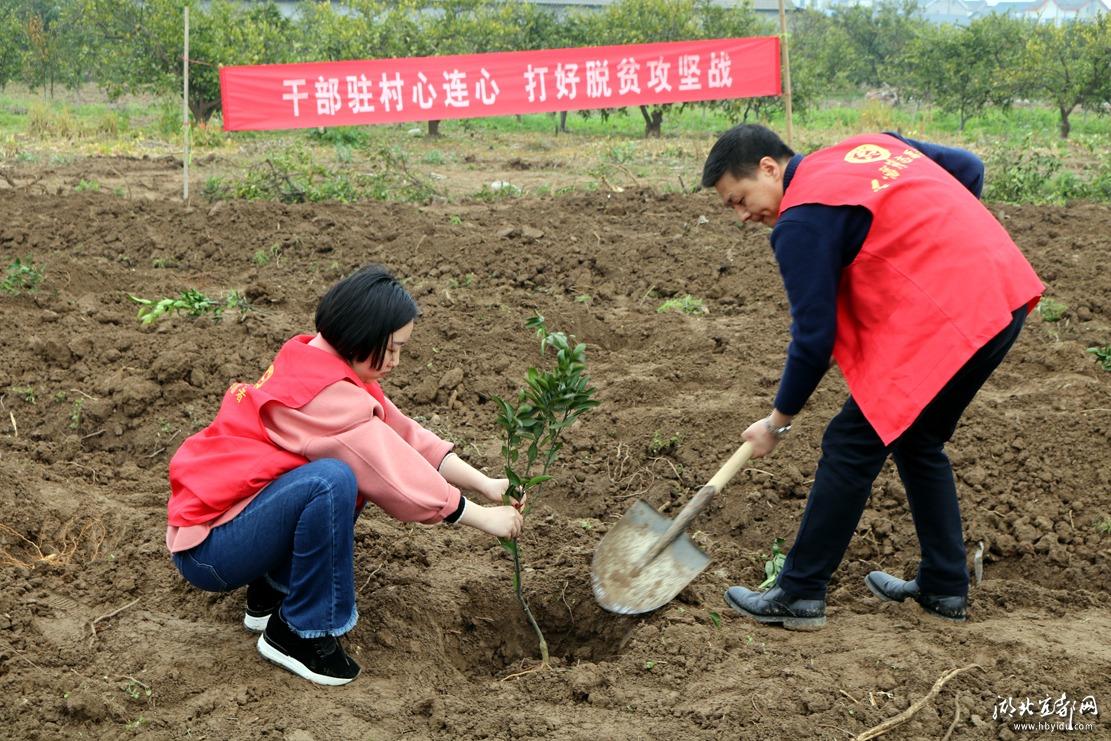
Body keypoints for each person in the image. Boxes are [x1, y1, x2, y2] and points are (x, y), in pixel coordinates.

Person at [701, 125, 1043, 630]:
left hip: (952, 318)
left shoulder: (800, 222)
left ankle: (799, 592)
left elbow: (814, 339)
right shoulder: (871, 146)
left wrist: (776, 424)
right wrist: (933, 249)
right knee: (918, 439)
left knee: (851, 442)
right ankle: (945, 586)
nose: (743, 215)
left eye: (740, 198)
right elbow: (969, 168)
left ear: (770, 168)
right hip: (1002, 291)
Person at [165, 264, 524, 684]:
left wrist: (485, 483)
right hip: (210, 552)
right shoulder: (329, 398)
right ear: (361, 334)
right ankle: (299, 631)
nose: (396, 360)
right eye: (391, 348)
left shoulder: (316, 359)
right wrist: (482, 518)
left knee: (333, 477)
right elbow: (397, 474)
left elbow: (405, 434)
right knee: (333, 481)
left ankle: (273, 594)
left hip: (232, 521)